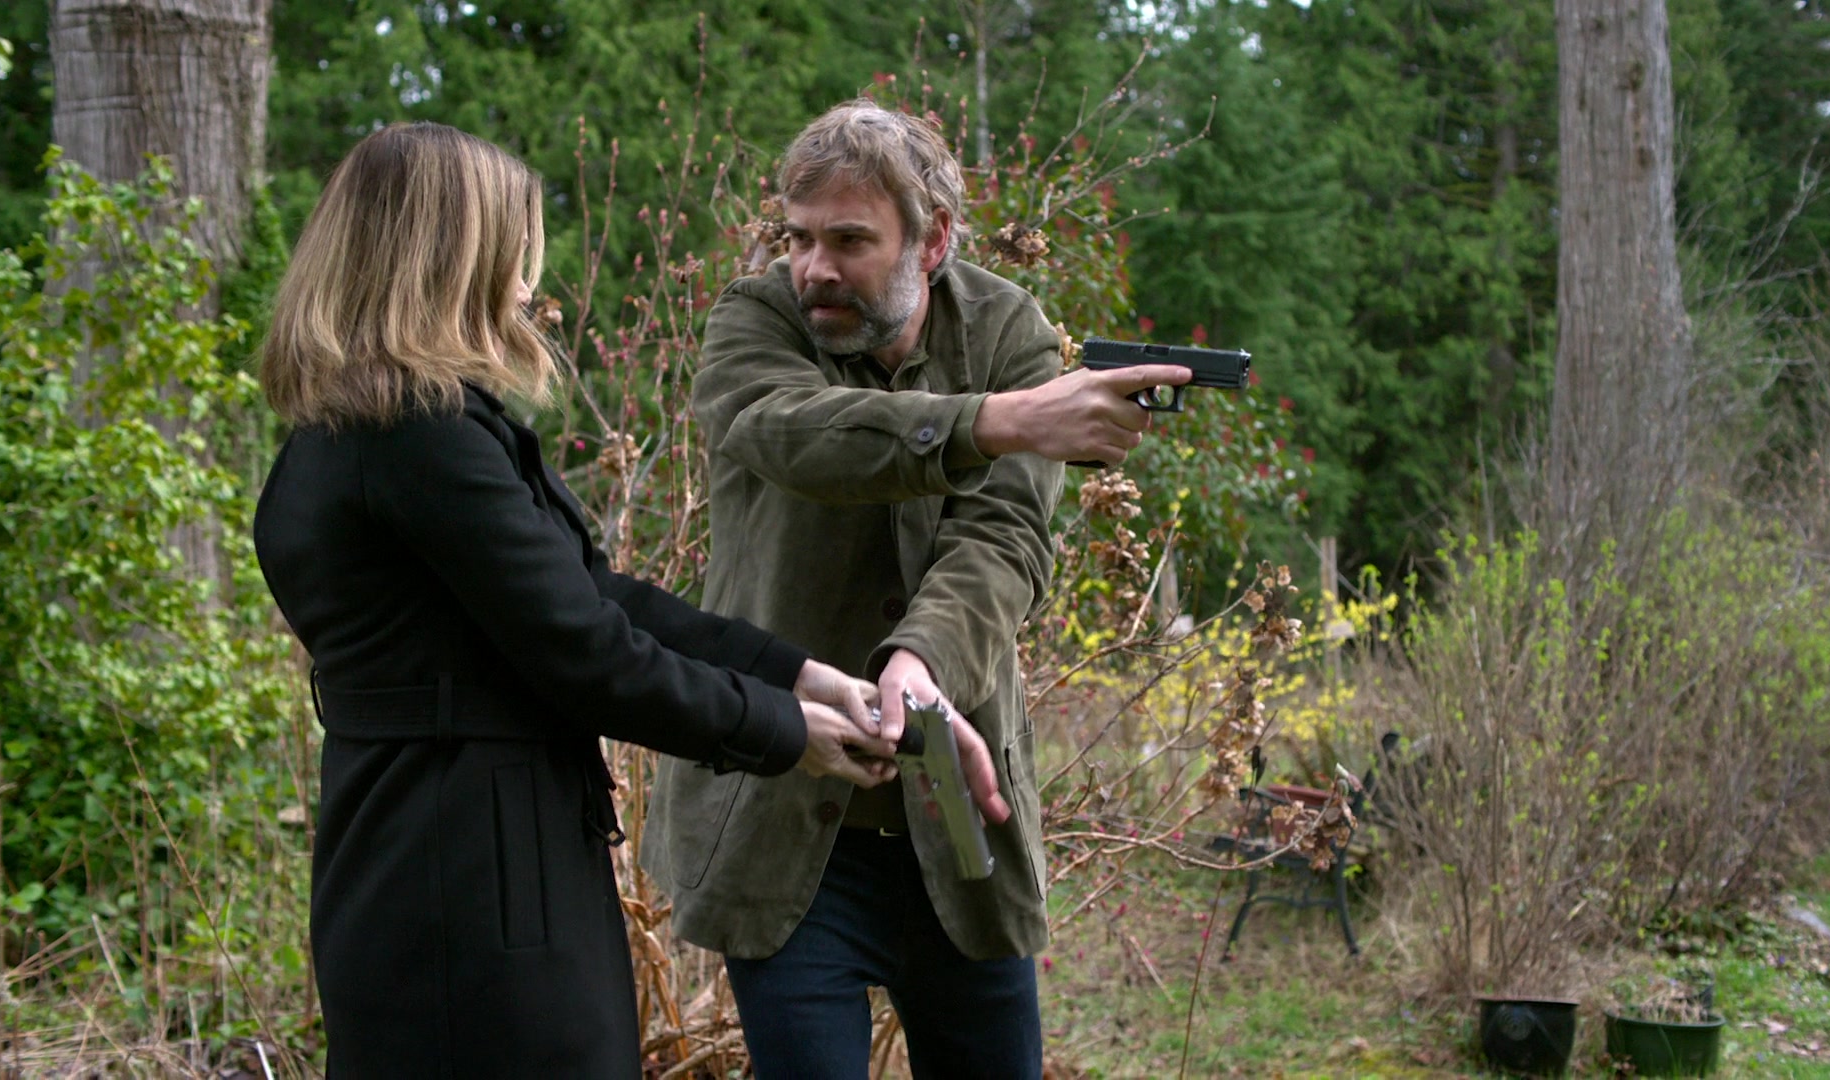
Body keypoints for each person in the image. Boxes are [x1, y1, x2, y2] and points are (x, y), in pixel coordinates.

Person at [251, 121, 899, 1078]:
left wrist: (796, 675)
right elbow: (585, 651)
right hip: (473, 884)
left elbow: (593, 598)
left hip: (441, 852)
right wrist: (784, 730)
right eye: (515, 259)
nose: (526, 289)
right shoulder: (418, 436)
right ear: (451, 260)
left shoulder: (360, 429)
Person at [642, 101, 1192, 1078]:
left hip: (956, 825)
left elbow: (1004, 538)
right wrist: (994, 422)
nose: (815, 267)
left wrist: (922, 660)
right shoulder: (756, 320)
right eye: (799, 238)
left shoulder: (1008, 329)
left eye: (850, 241)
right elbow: (796, 436)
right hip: (784, 816)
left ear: (931, 240)